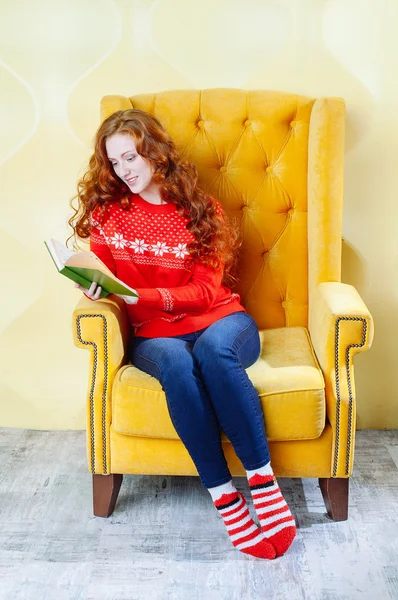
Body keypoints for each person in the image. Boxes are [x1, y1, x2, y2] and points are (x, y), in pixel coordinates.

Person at [68, 109, 296, 560]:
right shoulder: (107, 215)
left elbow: (204, 293)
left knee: (213, 352)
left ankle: (264, 484)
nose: (125, 170)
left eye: (131, 156)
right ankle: (225, 498)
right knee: (175, 362)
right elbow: (109, 283)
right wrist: (94, 287)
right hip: (156, 338)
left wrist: (138, 296)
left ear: (154, 152)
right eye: (115, 162)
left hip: (223, 321)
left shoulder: (200, 210)